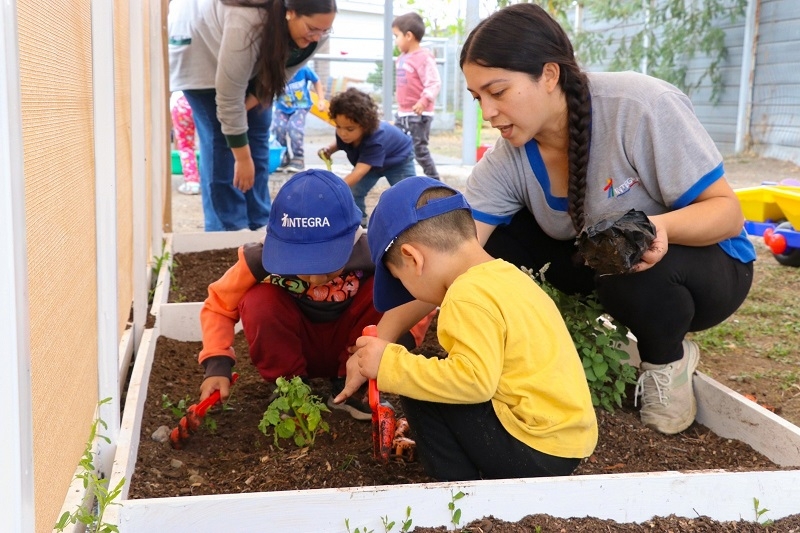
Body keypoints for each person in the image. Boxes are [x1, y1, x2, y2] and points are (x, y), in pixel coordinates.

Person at [459, 3, 756, 435]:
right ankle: (540, 353)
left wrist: (659, 229)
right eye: (477, 97)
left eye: (498, 92)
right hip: (604, 269)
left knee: (626, 254)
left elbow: (728, 214)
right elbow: (459, 249)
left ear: (549, 75)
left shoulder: (640, 106)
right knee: (497, 242)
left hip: (706, 269)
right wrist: (391, 336)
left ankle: (666, 361)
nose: (487, 113)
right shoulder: (510, 158)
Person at [333, 177, 598, 481]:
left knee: (419, 388)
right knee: (434, 375)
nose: (409, 293)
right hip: (566, 443)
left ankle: (457, 489)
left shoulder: (465, 296)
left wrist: (391, 363)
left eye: (400, 280)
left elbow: (474, 384)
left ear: (412, 258)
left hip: (535, 450)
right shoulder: (504, 275)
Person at [197, 169, 432, 420]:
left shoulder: (374, 253)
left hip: (355, 348)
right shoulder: (259, 260)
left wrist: (392, 344)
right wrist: (217, 365)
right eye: (301, 266)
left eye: (328, 263)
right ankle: (290, 389)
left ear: (351, 239)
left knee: (382, 288)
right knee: (258, 300)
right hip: (293, 345)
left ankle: (352, 387)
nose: (316, 279)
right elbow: (219, 305)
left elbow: (419, 293)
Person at [168, 0, 336, 231]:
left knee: (257, 132)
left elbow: (280, 76)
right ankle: (228, 229)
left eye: (324, 30)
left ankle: (260, 222)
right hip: (201, 52)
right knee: (222, 142)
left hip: (251, 58)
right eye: (312, 29)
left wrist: (242, 110)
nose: (318, 37)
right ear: (291, 12)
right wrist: (242, 158)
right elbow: (228, 99)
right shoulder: (246, 20)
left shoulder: (316, 34)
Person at [318, 87, 415, 227]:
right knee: (353, 191)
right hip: (370, 163)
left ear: (365, 125)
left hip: (398, 160)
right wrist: (330, 149)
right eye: (338, 127)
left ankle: (412, 224)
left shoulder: (375, 139)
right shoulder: (344, 132)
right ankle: (360, 224)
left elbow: (358, 172)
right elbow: (340, 142)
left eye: (349, 129)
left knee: (409, 194)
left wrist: (335, 189)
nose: (343, 133)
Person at [392, 12, 442, 180]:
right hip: (403, 113)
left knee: (419, 150)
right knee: (399, 148)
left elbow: (434, 82)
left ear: (408, 36)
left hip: (418, 114)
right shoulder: (401, 58)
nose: (395, 40)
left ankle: (436, 182)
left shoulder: (423, 58)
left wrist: (424, 100)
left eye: (396, 36)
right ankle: (406, 181)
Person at [272, 64, 327, 173]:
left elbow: (316, 80)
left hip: (300, 106)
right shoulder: (275, 69)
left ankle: (298, 157)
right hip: (281, 106)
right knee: (278, 127)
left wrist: (321, 99)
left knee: (294, 128)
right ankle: (283, 156)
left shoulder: (303, 68)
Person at [170, 90, 201, 195]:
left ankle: (192, 183)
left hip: (180, 104)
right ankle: (208, 180)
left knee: (186, 146)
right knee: (208, 142)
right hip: (199, 101)